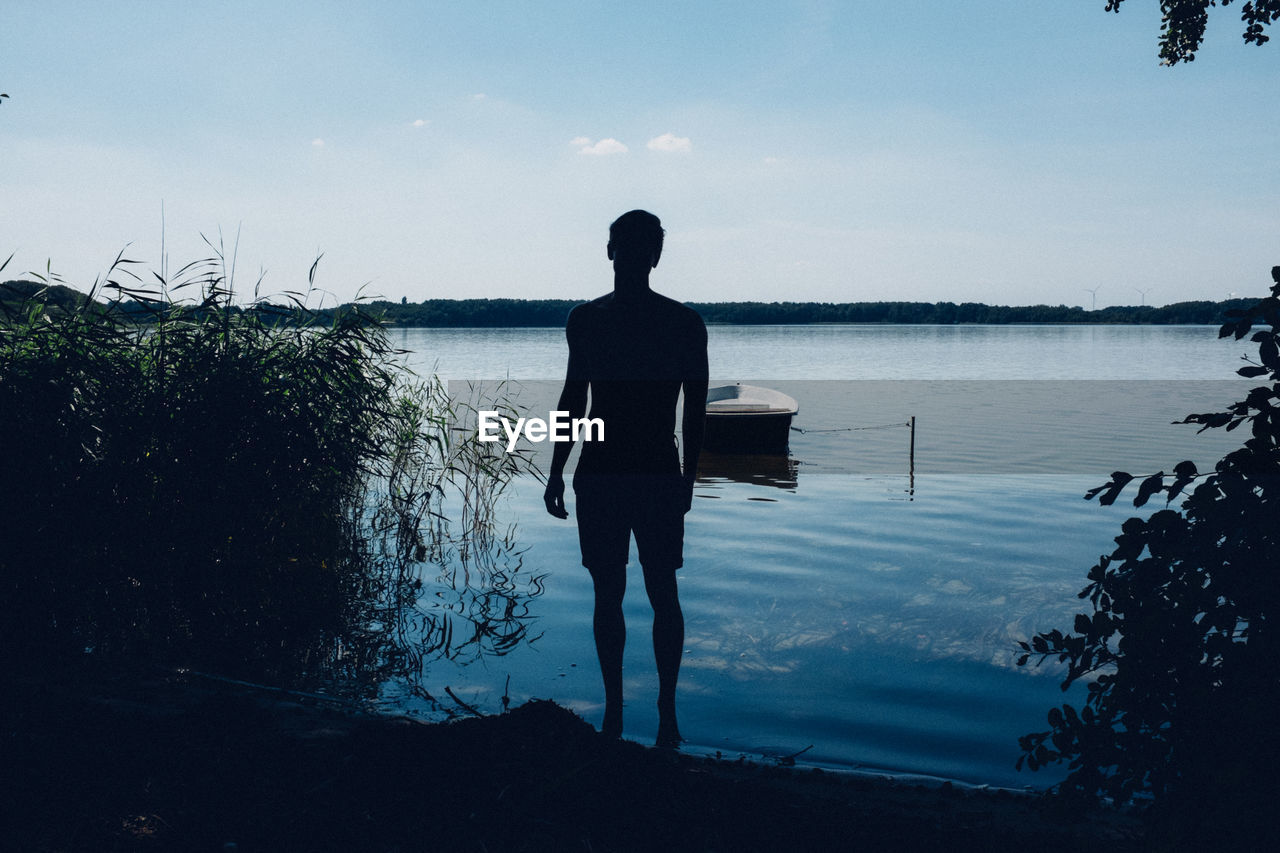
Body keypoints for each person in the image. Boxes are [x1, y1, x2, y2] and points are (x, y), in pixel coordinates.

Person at [543, 210, 708, 747]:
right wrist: (687, 479)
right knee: (653, 591)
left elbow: (576, 400)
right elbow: (693, 414)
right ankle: (655, 714)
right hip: (644, 472)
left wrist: (557, 472)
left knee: (618, 593)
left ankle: (626, 715)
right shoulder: (678, 322)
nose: (635, 257)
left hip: (615, 472)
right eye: (634, 248)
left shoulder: (592, 320)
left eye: (636, 248)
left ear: (612, 250)